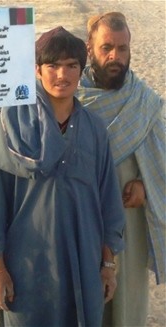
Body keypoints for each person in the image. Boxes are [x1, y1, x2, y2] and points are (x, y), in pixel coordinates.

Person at [0, 27, 125, 326]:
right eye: (52, 66)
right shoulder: (12, 127)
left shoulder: (94, 129)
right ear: (37, 70)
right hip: (27, 263)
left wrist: (108, 265)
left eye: (71, 65)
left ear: (81, 69)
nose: (62, 75)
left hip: (84, 262)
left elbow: (108, 200)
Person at [76, 12, 166, 326]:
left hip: (130, 223)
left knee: (127, 305)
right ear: (90, 48)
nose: (115, 56)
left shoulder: (144, 100)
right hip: (81, 218)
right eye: (107, 47)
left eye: (123, 48)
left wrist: (144, 183)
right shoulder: (70, 98)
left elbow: (163, 157)